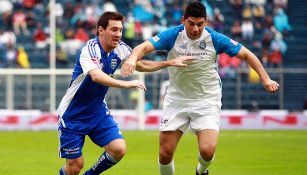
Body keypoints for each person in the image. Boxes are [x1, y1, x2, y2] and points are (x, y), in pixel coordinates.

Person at [121, 2, 279, 175]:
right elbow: (143, 47)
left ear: (206, 22)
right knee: (165, 153)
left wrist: (265, 78)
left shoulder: (214, 38)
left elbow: (247, 54)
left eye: (200, 24)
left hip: (206, 99)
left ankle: (201, 171)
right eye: (191, 23)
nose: (195, 28)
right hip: (177, 99)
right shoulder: (173, 35)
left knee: (207, 150)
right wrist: (131, 59)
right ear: (183, 20)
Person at [57, 11, 193, 175]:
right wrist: (125, 84)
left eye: (120, 30)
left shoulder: (121, 49)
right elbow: (95, 76)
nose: (118, 34)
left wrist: (169, 62)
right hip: (73, 114)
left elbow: (141, 65)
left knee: (118, 149)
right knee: (75, 167)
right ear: (101, 30)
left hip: (97, 111)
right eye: (114, 30)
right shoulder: (89, 49)